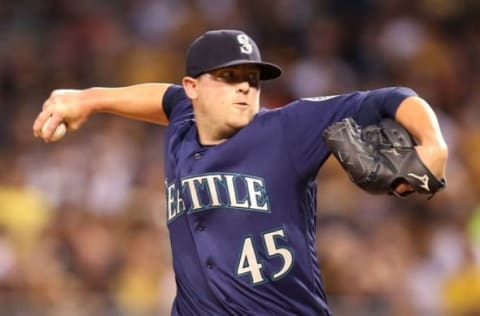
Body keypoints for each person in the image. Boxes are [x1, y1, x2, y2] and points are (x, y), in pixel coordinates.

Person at [33, 29, 448, 315]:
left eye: (252, 78)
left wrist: (434, 144)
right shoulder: (183, 119)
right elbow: (163, 97)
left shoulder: (287, 128)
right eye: (229, 77)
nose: (245, 87)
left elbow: (392, 98)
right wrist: (89, 98)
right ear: (194, 87)